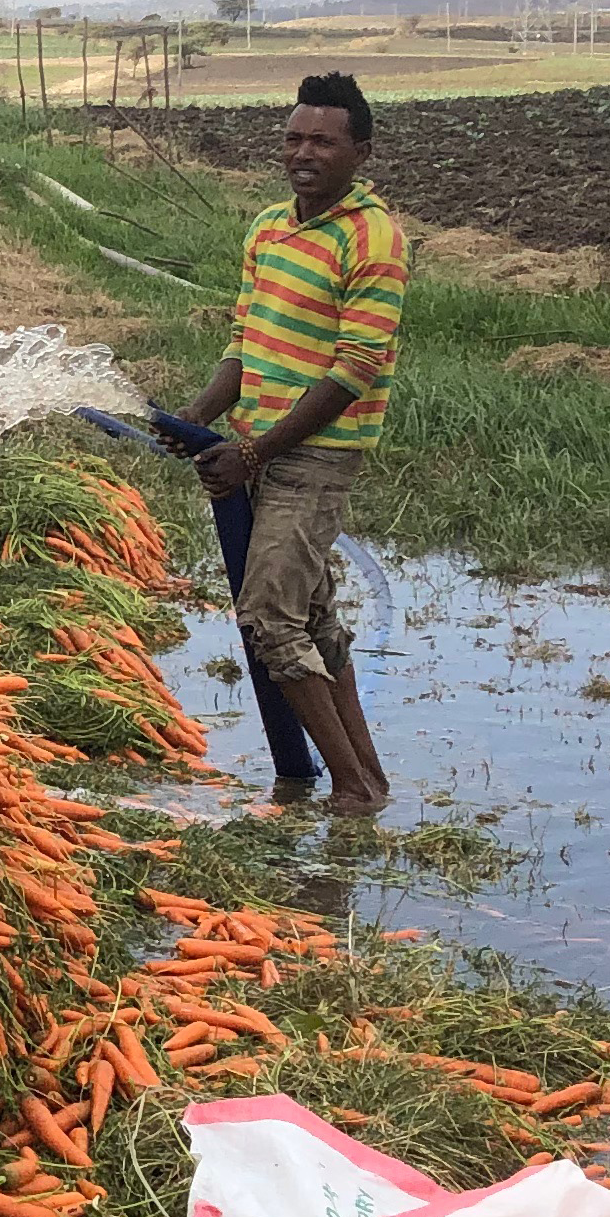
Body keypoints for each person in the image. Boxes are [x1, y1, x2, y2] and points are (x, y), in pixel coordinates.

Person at [177, 69, 406, 819]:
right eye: (294, 138)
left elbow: (355, 369)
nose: (304, 153)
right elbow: (244, 340)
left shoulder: (373, 238)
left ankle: (348, 791)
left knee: (269, 618)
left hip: (314, 453)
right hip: (259, 446)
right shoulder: (270, 227)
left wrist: (254, 452)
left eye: (323, 141)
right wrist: (194, 418)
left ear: (360, 153)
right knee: (311, 619)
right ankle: (369, 777)